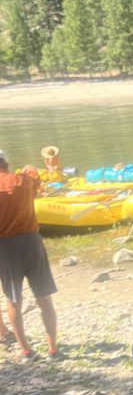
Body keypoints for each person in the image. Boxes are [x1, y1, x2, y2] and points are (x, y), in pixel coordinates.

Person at [0, 150, 60, 362]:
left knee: (13, 299)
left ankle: (26, 350)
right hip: (31, 241)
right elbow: (34, 176)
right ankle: (52, 348)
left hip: (5, 248)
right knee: (44, 298)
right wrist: (28, 168)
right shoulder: (23, 181)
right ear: (6, 163)